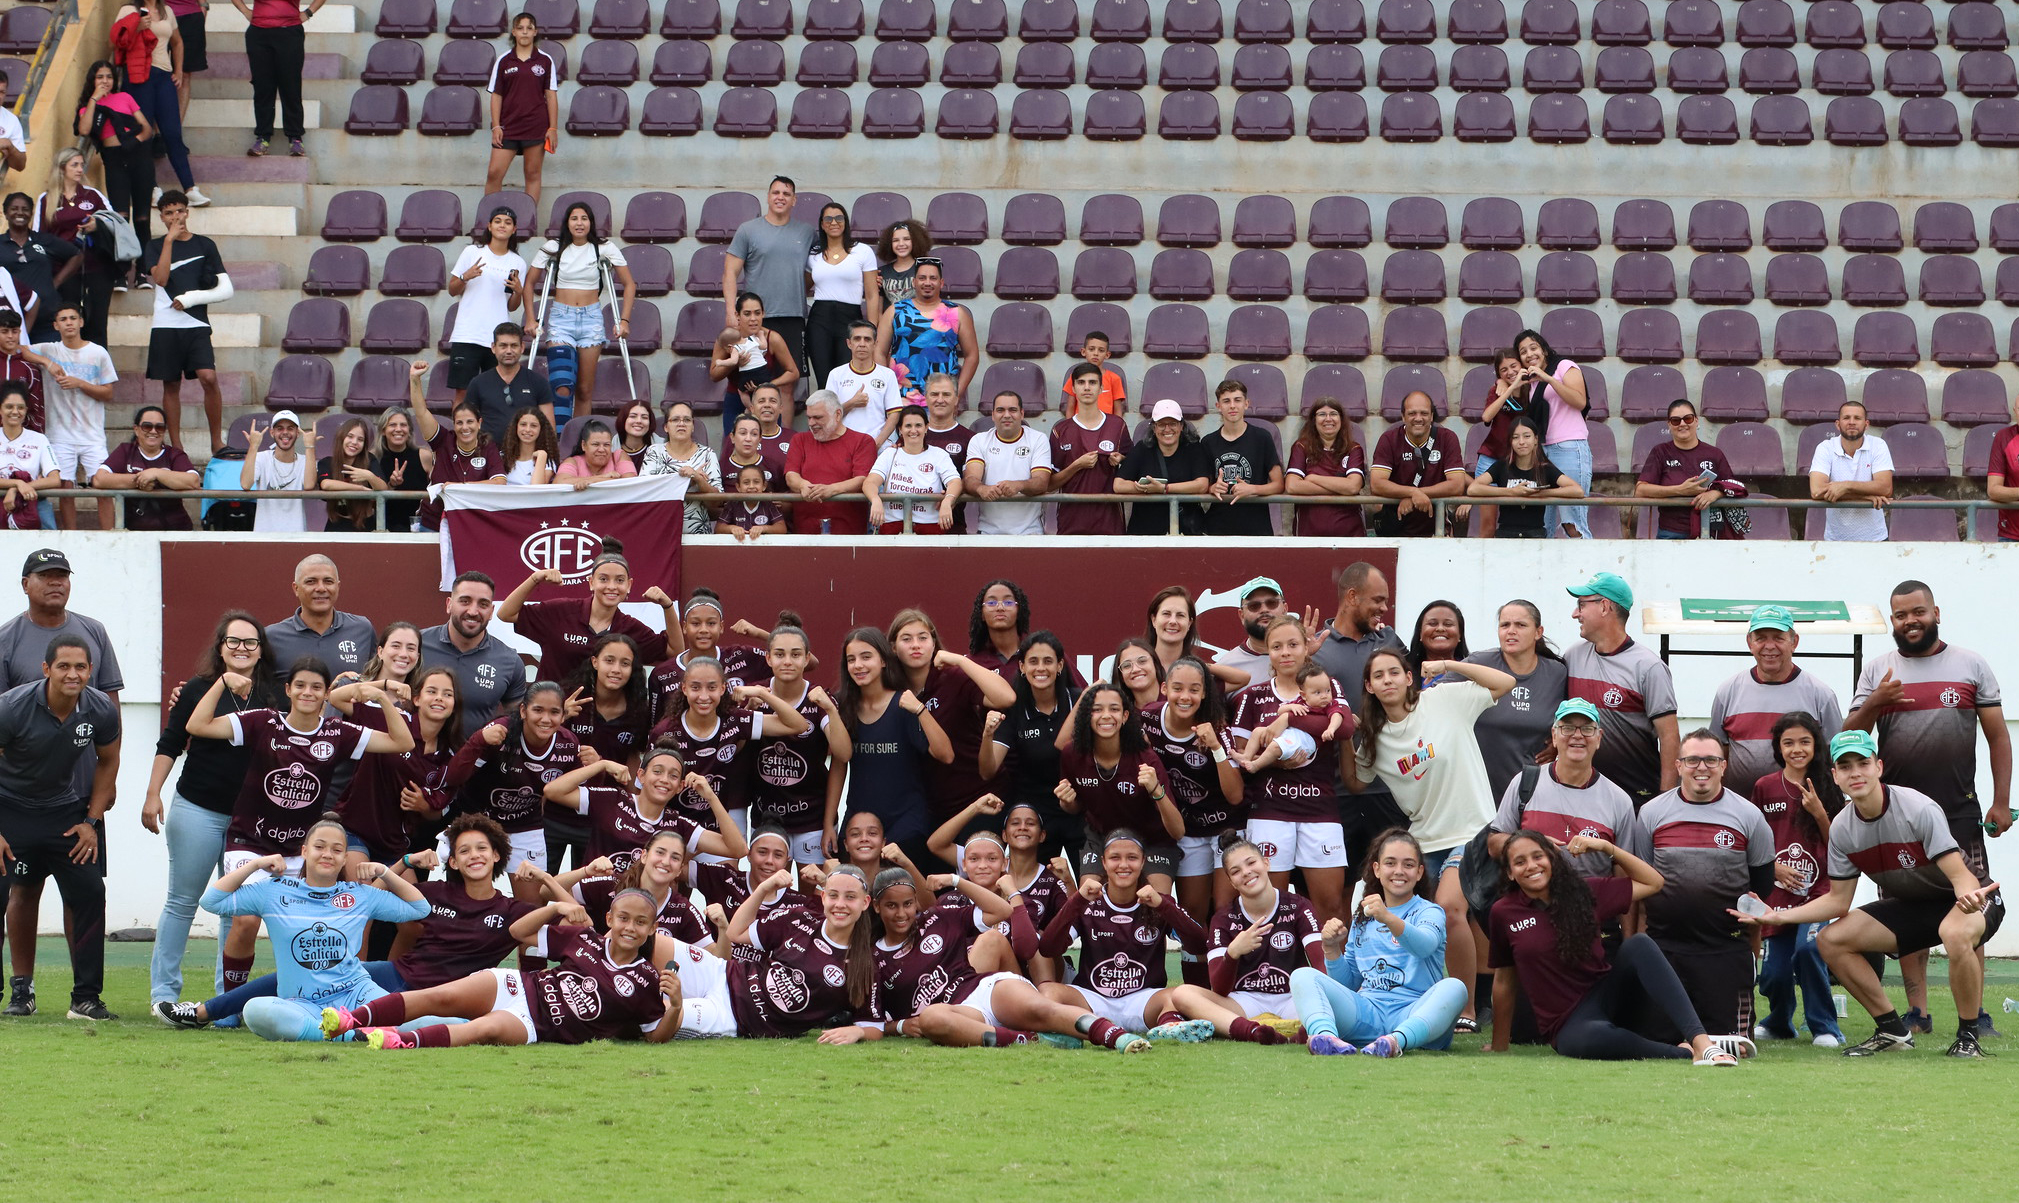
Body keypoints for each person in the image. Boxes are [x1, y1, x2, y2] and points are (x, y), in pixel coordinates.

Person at [1734, 730, 2002, 1058]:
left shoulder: (1917, 808)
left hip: (1971, 898)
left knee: (1953, 932)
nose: (1855, 772)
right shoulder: (1844, 828)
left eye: (1863, 762)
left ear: (1879, 766)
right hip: (1912, 906)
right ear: (1835, 776)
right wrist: (1777, 915)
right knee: (1830, 940)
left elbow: (1961, 877)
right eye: (1845, 766)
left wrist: (1968, 896)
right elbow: (1838, 901)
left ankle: (1968, 1035)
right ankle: (1891, 1030)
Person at [1844, 579, 2009, 1037]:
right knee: (1904, 911)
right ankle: (1917, 1011)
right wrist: (1876, 702)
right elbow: (1849, 737)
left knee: (1969, 908)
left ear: (1937, 612)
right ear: (1891, 621)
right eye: (1900, 615)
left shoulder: (1971, 664)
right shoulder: (1878, 669)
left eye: (1918, 612)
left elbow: (1997, 735)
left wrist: (2000, 800)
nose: (1910, 621)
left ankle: (1974, 1017)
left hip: (1959, 812)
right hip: (1894, 820)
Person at [184, 657, 408, 989]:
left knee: (314, 927)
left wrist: (381, 696)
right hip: (251, 843)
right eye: (300, 685)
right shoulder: (263, 722)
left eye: (316, 687)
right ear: (288, 689)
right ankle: (229, 1008)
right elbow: (197, 726)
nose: (307, 692)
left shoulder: (337, 732)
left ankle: (313, 996)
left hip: (301, 852)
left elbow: (402, 742)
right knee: (245, 922)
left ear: (325, 694)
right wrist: (222, 682)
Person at [1350, 646, 1515, 1028]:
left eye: (1395, 672)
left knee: (1448, 909)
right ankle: (1398, 1000)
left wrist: (1449, 665)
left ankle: (1466, 1010)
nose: (1388, 680)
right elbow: (1358, 781)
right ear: (1370, 687)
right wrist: (1346, 731)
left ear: (1409, 678)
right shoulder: (1375, 739)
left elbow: (1505, 682)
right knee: (1399, 916)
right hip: (1423, 841)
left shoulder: (1444, 698)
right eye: (1378, 676)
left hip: (1472, 832)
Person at [1487, 830, 1743, 1064]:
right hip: (1568, 1023)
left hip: (1609, 996)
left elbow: (1653, 882)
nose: (1531, 866)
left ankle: (1701, 1042)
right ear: (1509, 873)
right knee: (1590, 1039)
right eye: (1520, 862)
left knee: (1639, 944)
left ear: (1551, 860)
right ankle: (1687, 1052)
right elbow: (1504, 981)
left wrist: (1608, 848)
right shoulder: (1503, 912)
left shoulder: (1584, 892)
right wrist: (1499, 1046)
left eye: (1537, 856)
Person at [322, 884, 681, 1049]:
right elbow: (518, 932)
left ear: (652, 929)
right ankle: (352, 1019)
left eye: (639, 923)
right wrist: (555, 907)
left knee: (483, 1031)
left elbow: (654, 1036)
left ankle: (399, 1042)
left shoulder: (647, 979)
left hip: (535, 1024)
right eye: (623, 918)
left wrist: (675, 1007)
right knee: (441, 997)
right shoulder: (583, 938)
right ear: (610, 918)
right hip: (517, 986)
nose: (629, 928)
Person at [169, 818, 427, 1040]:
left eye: (337, 850)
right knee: (256, 1010)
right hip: (302, 1004)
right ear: (304, 851)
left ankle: (461, 1028)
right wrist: (255, 865)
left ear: (345, 859)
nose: (328, 854)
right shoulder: (273, 890)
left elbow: (420, 909)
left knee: (419, 1017)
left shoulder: (359, 894)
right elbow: (210, 901)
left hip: (357, 995)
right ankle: (356, 1035)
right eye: (319, 847)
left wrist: (385, 871)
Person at [0, 635, 121, 1021]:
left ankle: (85, 1000)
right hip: (9, 810)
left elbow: (108, 761)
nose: (73, 674)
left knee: (89, 891)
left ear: (90, 671)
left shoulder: (100, 708)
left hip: (63, 813)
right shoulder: (11, 707)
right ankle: (17, 993)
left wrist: (91, 822)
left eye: (81, 667)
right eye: (64, 666)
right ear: (46, 669)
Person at [1638, 730, 1776, 1038]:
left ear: (1724, 765)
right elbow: (1643, 879)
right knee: (1661, 1041)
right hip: (1666, 948)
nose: (1702, 767)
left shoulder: (1749, 816)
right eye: (1693, 760)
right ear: (1678, 765)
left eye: (1711, 760)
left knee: (1733, 1043)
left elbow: (1761, 886)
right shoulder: (1651, 814)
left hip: (1725, 949)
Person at [1292, 829, 1469, 1056]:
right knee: (1302, 975)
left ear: (1419, 872)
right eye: (1390, 863)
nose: (1398, 871)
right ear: (1377, 869)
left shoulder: (1430, 911)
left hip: (1415, 1013)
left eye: (1408, 865)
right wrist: (1331, 948)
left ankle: (1396, 1041)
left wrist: (1387, 917)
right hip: (1368, 1015)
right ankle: (1325, 1037)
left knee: (1455, 987)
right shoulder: (1363, 920)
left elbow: (1425, 946)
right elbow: (1348, 984)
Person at [1229, 616, 1351, 924]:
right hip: (1270, 811)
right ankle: (1274, 973)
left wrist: (1287, 721)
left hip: (1318, 810)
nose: (1285, 652)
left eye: (1293, 645)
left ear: (1306, 648)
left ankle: (1331, 973)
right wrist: (1276, 757)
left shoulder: (1326, 685)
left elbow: (1346, 727)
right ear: (1267, 652)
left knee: (1332, 908)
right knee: (1267, 907)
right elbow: (1241, 761)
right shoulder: (1252, 696)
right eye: (1276, 646)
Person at [1037, 832, 1208, 1042]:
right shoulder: (1088, 902)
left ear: (1143, 861)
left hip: (1143, 1001)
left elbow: (1199, 944)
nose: (1124, 865)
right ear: (1104, 863)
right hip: (1093, 999)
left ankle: (1169, 1027)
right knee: (1048, 991)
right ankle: (1073, 1030)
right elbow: (1048, 948)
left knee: (1180, 995)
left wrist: (1164, 905)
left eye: (1132, 858)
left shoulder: (1157, 902)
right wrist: (1076, 901)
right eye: (1115, 858)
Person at [1150, 838, 1322, 1045]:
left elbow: (1320, 966)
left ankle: (1304, 1029)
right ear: (1231, 882)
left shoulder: (1298, 906)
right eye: (1236, 871)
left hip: (1291, 997)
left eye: (1251, 863)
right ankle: (1254, 1032)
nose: (1246, 872)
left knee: (1342, 993)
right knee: (1183, 994)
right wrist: (1233, 953)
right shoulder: (1223, 919)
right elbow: (1219, 989)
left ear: (1266, 863)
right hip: (1244, 1002)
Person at [1747, 712, 1846, 1048]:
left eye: (1804, 741)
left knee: (1808, 949)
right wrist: (1771, 869)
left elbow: (1841, 843)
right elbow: (1752, 838)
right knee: (1773, 971)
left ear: (1816, 744)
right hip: (1776, 895)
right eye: (1788, 742)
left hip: (1819, 892)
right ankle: (1779, 1022)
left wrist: (1819, 811)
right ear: (1778, 747)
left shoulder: (1831, 783)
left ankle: (1825, 1027)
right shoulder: (1765, 786)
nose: (1797, 749)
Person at [887, 610, 1018, 851]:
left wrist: (961, 660)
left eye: (923, 638)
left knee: (978, 877)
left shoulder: (952, 676)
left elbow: (1006, 697)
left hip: (981, 799)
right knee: (937, 886)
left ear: (934, 643)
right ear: (893, 647)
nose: (916, 645)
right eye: (906, 639)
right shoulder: (890, 687)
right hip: (930, 810)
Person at [646, 657, 807, 844]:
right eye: (696, 687)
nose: (704, 696)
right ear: (684, 689)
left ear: (723, 688)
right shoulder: (663, 732)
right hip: (674, 830)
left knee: (730, 867)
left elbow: (798, 725)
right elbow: (645, 791)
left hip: (715, 829)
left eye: (712, 688)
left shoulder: (734, 720)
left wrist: (763, 694)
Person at [1485, 700, 1647, 878]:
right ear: (1554, 735)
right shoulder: (1525, 783)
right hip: (1530, 902)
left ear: (1599, 738)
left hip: (1591, 903)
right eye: (1567, 728)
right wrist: (1532, 844)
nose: (1577, 735)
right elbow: (1494, 845)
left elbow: (1623, 875)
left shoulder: (1619, 801)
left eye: (1587, 729)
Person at [441, 681, 578, 888]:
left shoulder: (568, 743)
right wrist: (478, 740)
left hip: (524, 825)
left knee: (531, 908)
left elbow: (580, 794)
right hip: (478, 821)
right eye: (538, 710)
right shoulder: (500, 731)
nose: (546, 719)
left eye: (554, 712)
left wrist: (595, 767)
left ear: (562, 716)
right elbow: (452, 778)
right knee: (466, 898)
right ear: (523, 710)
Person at [333, 664, 463, 879]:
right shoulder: (395, 719)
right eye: (432, 691)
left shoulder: (452, 754)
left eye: (447, 694)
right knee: (362, 898)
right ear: (417, 699)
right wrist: (383, 687)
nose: (439, 698)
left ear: (454, 705)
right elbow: (337, 698)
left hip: (395, 845)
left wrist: (423, 806)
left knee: (415, 909)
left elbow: (439, 810)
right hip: (354, 831)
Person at [834, 627, 953, 861]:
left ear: (884, 661)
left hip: (906, 824)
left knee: (902, 893)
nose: (858, 665)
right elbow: (839, 765)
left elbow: (945, 754)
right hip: (859, 825)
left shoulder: (904, 704)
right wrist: (830, 822)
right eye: (851, 659)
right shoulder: (842, 706)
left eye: (866, 657)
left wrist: (919, 709)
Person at [1056, 682, 1185, 897]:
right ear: (1087, 716)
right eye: (1097, 710)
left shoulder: (1145, 758)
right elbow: (1075, 807)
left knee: (1156, 902)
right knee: (1089, 897)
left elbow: (1178, 831)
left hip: (1152, 841)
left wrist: (1156, 791)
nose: (1106, 715)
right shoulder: (1073, 754)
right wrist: (1067, 802)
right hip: (1102, 838)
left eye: (1114, 709)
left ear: (1125, 716)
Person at [1564, 571, 1679, 806]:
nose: (1575, 613)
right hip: (1581, 795)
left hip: (1636, 796)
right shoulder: (1573, 655)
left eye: (1581, 605)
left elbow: (1669, 737)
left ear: (1605, 606)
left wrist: (1666, 801)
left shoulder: (1648, 667)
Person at [1706, 605, 1844, 800]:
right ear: (1749, 642)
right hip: (1739, 808)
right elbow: (1719, 752)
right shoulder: (1728, 691)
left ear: (1794, 642)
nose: (1769, 646)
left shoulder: (1820, 695)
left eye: (1778, 638)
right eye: (1761, 638)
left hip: (1800, 813)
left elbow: (1834, 757)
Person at [743, 620, 849, 864]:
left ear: (807, 659)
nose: (788, 661)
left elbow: (843, 755)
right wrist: (747, 713)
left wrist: (831, 711)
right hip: (766, 817)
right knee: (770, 888)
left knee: (810, 893)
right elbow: (734, 750)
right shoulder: (754, 695)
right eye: (779, 654)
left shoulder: (818, 698)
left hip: (812, 818)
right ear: (768, 658)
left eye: (795, 654)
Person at [541, 743, 746, 864]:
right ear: (640, 775)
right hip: (595, 902)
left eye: (673, 776)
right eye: (657, 772)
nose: (664, 779)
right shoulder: (612, 799)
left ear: (680, 786)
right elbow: (553, 791)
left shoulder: (678, 825)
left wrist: (710, 797)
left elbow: (738, 850)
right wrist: (601, 765)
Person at [524, 203, 635, 420]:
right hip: (561, 319)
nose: (579, 223)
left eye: (584, 218)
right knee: (562, 386)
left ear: (591, 222)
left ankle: (577, 442)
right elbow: (529, 283)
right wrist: (530, 318)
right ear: (567, 222)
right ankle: (558, 439)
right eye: (574, 218)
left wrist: (624, 320)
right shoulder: (553, 247)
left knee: (584, 389)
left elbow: (629, 284)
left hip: (591, 319)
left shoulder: (604, 248)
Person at [496, 550, 674, 683]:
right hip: (552, 717)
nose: (611, 586)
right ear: (591, 582)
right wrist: (535, 578)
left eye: (619, 580)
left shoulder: (631, 628)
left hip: (599, 721)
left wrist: (668, 606)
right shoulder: (561, 612)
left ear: (629, 585)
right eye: (603, 579)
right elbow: (506, 614)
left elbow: (674, 651)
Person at [978, 631, 1083, 850]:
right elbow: (988, 771)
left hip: (1079, 809)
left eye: (1048, 661)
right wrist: (988, 735)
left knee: (1090, 884)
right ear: (1022, 667)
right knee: (1034, 886)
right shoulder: (1015, 708)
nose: (1041, 668)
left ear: (1060, 665)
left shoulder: (1079, 700)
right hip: (1035, 816)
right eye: (1033, 661)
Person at [144, 190, 229, 448]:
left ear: (187, 212)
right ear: (161, 217)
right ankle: (177, 446)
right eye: (168, 213)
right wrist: (169, 241)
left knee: (208, 377)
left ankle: (216, 441)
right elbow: (160, 279)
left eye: (179, 210)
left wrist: (192, 299)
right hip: (165, 324)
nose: (175, 216)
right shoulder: (154, 246)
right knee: (171, 384)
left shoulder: (205, 245)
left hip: (197, 322)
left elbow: (223, 287)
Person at [21, 305, 116, 529]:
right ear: (56, 326)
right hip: (59, 433)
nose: (69, 322)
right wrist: (48, 363)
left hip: (92, 434)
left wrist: (79, 383)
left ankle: (110, 535)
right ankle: (70, 537)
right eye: (63, 319)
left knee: (102, 487)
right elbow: (21, 349)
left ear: (81, 322)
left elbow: (108, 393)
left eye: (73, 318)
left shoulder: (98, 352)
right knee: (65, 488)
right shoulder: (49, 349)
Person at [1465, 600, 1569, 799]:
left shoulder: (1557, 673)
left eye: (1520, 625)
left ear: (1538, 632)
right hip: (1478, 792)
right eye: (1505, 625)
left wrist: (1557, 745)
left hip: (1533, 792)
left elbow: (1573, 718)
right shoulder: (1479, 664)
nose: (1511, 631)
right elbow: (1437, 699)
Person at [111, 0, 206, 205]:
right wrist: (137, 27)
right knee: (144, 133)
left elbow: (177, 42)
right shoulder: (129, 9)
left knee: (172, 132)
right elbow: (116, 41)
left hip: (163, 75)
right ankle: (151, 187)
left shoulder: (167, 11)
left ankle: (190, 188)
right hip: (137, 76)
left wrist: (178, 70)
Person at [724, 176, 817, 386]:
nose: (780, 197)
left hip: (793, 317)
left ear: (794, 200)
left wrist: (796, 287)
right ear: (767, 197)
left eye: (786, 194)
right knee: (751, 382)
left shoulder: (807, 232)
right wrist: (731, 312)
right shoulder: (748, 230)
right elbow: (730, 272)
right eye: (776, 193)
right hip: (756, 319)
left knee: (787, 385)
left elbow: (821, 267)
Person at [74, 61, 155, 293]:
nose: (105, 81)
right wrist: (94, 99)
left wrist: (133, 143)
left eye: (109, 76)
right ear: (93, 80)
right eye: (100, 77)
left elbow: (147, 129)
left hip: (138, 156)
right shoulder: (87, 106)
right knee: (119, 217)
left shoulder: (125, 97)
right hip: (114, 160)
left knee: (142, 217)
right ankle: (121, 272)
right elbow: (85, 130)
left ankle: (142, 271)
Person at [420, 571, 529, 727]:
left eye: (483, 604)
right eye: (465, 601)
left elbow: (517, 722)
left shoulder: (510, 661)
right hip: (417, 750)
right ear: (449, 604)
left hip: (477, 751)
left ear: (491, 611)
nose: (472, 611)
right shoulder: (417, 645)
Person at [448, 212, 531, 414]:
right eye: (498, 221)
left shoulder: (518, 262)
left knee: (494, 393)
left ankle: (490, 443)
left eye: (508, 222)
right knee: (462, 393)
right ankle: (459, 442)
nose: (502, 225)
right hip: (467, 333)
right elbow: (452, 290)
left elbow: (511, 306)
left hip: (497, 338)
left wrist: (519, 292)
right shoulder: (471, 252)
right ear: (489, 226)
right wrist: (465, 276)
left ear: (514, 229)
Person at [1511, 328, 1591, 538]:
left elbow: (1579, 401)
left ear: (1544, 349)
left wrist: (1549, 378)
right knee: (1542, 522)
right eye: (1523, 352)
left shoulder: (1564, 366)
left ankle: (1588, 569)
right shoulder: (1531, 381)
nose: (1529, 354)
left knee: (1573, 523)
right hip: (1543, 451)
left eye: (1533, 347)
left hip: (1569, 447)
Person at [35, 149, 115, 348]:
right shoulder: (46, 199)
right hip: (63, 270)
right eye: (75, 165)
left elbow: (115, 223)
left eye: (82, 165)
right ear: (62, 168)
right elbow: (39, 237)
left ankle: (99, 371)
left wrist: (97, 225)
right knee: (69, 320)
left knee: (97, 321)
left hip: (96, 266)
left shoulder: (92, 195)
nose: (80, 169)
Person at [1634, 399, 1747, 539]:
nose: (1682, 424)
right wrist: (1680, 490)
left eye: (1687, 419)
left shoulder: (1714, 454)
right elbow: (1641, 490)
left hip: (1710, 531)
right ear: (1669, 425)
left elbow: (1733, 487)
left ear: (1696, 421)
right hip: (1672, 533)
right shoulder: (1660, 452)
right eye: (1676, 420)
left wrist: (1716, 494)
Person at [407, 364, 503, 530]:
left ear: (479, 423)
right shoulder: (443, 440)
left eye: (470, 422)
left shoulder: (488, 447)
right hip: (434, 523)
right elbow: (421, 412)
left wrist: (460, 487)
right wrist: (414, 379)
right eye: (459, 422)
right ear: (454, 424)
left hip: (472, 525)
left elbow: (500, 482)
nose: (465, 427)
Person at [875, 258, 976, 404]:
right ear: (914, 282)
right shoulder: (895, 310)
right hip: (902, 397)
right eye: (922, 278)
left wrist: (957, 394)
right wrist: (887, 390)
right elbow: (879, 352)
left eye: (933, 278)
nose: (927, 283)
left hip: (942, 398)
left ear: (941, 283)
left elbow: (972, 355)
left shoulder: (956, 313)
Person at [1369, 390, 1469, 538]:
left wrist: (1417, 496)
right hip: (1395, 531)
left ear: (1432, 416)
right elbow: (1376, 484)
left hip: (1436, 531)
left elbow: (1457, 485)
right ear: (1403, 416)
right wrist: (1412, 492)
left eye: (1424, 413)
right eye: (1412, 413)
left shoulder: (1447, 438)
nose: (1418, 418)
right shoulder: (1389, 439)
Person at [482, 15, 559, 206]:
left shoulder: (546, 60)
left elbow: (551, 96)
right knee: (494, 173)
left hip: (536, 126)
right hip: (508, 127)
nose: (525, 31)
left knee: (532, 174)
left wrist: (553, 128)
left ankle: (528, 221)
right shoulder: (504, 60)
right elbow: (496, 95)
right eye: (520, 28)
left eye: (529, 27)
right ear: (514, 32)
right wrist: (496, 126)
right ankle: (490, 221)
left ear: (535, 32)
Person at [262, 553, 376, 680]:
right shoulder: (271, 637)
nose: (321, 588)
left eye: (328, 581)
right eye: (311, 582)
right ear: (296, 588)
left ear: (338, 587)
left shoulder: (362, 629)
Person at [1050, 362, 1130, 535]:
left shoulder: (1117, 425)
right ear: (1073, 388)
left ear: (1101, 388)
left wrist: (1122, 460)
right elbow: (1050, 485)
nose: (1087, 388)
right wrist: (1077, 465)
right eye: (1081, 382)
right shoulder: (1060, 430)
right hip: (1071, 521)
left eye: (1092, 383)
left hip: (1110, 522)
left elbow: (1133, 470)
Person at [807, 203, 882, 389]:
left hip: (850, 319)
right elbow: (803, 285)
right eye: (828, 219)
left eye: (839, 218)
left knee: (847, 381)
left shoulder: (862, 251)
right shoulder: (813, 255)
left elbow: (872, 295)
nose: (834, 223)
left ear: (846, 222)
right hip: (819, 320)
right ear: (822, 224)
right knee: (824, 382)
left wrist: (871, 329)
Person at [1467, 421, 1581, 539]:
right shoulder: (1501, 466)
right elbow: (1473, 489)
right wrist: (1511, 492)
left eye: (1527, 436)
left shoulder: (1545, 468)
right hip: (1506, 535)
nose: (1521, 442)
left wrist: (1541, 494)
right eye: (1515, 437)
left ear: (1536, 439)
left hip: (1536, 535)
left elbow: (1577, 490)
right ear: (1510, 441)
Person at [962, 389, 1053, 536]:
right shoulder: (979, 440)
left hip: (1031, 533)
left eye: (1013, 410)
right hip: (987, 533)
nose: (1006, 415)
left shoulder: (1038, 439)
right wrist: (981, 489)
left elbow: (1042, 482)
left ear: (1021, 414)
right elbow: (971, 478)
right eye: (1000, 410)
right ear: (992, 415)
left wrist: (1019, 485)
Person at [233, 0, 318, 157]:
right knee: (262, 87)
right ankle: (263, 137)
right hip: (258, 33)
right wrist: (245, 10)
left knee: (290, 85)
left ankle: (295, 138)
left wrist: (308, 12)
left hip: (290, 32)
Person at [1200, 378, 1284, 537]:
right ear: (1218, 406)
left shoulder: (1262, 438)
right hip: (1217, 526)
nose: (1232, 405)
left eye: (1237, 400)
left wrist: (1253, 489)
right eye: (1226, 401)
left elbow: (1279, 484)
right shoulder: (1208, 442)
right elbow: (1202, 484)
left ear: (1246, 404)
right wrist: (1212, 488)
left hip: (1256, 527)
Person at [1114, 398, 1211, 536]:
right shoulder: (1142, 449)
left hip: (1186, 530)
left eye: (1172, 424)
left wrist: (1164, 489)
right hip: (1146, 530)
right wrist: (1145, 488)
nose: (1167, 429)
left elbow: (1202, 485)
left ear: (1181, 426)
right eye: (1161, 424)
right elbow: (1118, 485)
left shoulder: (1193, 448)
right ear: (1154, 427)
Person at [785, 390, 876, 534]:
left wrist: (831, 490)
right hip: (805, 530)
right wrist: (803, 485)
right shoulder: (799, 440)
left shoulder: (863, 441)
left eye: (818, 417)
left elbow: (862, 479)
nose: (811, 423)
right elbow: (791, 475)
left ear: (838, 414)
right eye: (809, 418)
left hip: (849, 532)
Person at [94, 404, 198, 530]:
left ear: (164, 431)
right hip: (134, 533)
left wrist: (157, 473)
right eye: (147, 426)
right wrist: (139, 481)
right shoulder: (125, 450)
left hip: (175, 531)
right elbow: (99, 479)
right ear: (136, 429)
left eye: (159, 427)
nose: (153, 431)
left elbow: (193, 481)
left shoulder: (174, 454)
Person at [1237, 663, 1350, 775]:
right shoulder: (1300, 702)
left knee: (1275, 747)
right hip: (1290, 733)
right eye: (1317, 692)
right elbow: (1280, 710)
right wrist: (1291, 707)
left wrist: (1331, 729)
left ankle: (1256, 765)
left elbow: (1337, 715)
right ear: (1304, 695)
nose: (1324, 696)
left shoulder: (1329, 705)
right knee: (1257, 731)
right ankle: (1246, 757)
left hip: (1305, 740)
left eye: (1328, 690)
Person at [1808, 399, 1895, 542]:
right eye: (1846, 418)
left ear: (1866, 424)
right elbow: (1817, 490)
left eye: (1857, 418)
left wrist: (1845, 486)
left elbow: (1885, 488)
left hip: (1875, 539)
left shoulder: (1878, 445)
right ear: (1838, 424)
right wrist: (1864, 497)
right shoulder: (1825, 448)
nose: (1852, 422)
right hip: (1835, 539)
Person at [865, 404, 961, 534]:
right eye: (908, 426)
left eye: (918, 425)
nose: (913, 430)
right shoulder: (890, 454)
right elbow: (870, 482)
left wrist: (948, 501)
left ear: (926, 428)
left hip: (930, 526)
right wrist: (875, 499)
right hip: (892, 526)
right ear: (900, 429)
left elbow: (955, 482)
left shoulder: (939, 454)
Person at [710, 292, 802, 426]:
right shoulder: (727, 337)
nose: (753, 319)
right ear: (737, 315)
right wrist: (735, 363)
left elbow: (793, 372)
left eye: (757, 313)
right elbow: (714, 375)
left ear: (763, 314)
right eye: (747, 314)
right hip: (736, 397)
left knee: (769, 444)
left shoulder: (772, 338)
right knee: (734, 444)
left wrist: (767, 386)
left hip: (766, 400)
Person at [1285, 396, 1366, 538]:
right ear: (1313, 420)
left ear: (1341, 419)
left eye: (1333, 414)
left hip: (1350, 533)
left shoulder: (1354, 449)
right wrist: (1340, 488)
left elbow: (1353, 486)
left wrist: (1312, 478)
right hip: (1308, 533)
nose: (1328, 419)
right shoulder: (1301, 447)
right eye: (1322, 414)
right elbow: (1292, 486)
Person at [2, 192, 78, 343]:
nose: (19, 212)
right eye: (14, 208)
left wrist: (56, 282)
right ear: (5, 213)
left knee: (49, 365)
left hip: (47, 319)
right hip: (10, 323)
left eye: (25, 209)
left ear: (31, 213)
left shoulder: (43, 240)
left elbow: (76, 255)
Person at [634, 400, 720, 532]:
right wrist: (688, 482)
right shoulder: (654, 452)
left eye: (686, 420)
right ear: (666, 427)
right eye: (675, 420)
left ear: (693, 426)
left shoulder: (707, 454)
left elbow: (716, 502)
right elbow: (645, 491)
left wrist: (699, 479)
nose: (681, 424)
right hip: (660, 531)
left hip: (697, 533)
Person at [1144, 586, 1249, 691]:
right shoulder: (1138, 668)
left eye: (1180, 615)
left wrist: (1197, 665)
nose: (1173, 621)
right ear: (1154, 620)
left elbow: (1242, 679)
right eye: (1166, 614)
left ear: (1189, 623)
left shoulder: (1198, 673)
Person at [1213, 576, 1302, 694]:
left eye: (1272, 603)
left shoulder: (1308, 658)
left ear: (1285, 609)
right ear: (1242, 615)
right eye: (1254, 606)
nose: (1264, 610)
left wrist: (1305, 656)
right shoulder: (1226, 668)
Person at [825, 318, 901, 443]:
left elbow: (894, 415)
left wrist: (876, 444)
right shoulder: (836, 375)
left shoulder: (887, 375)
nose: (862, 344)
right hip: (844, 444)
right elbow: (829, 416)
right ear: (849, 343)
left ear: (875, 344)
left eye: (867, 339)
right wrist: (852, 403)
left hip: (878, 445)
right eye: (857, 339)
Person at [1473, 348, 1540, 485]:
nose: (1510, 372)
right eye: (1503, 370)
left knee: (1513, 505)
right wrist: (1509, 389)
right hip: (1491, 457)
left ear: (1522, 365)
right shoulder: (1497, 390)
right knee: (1487, 503)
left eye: (1513, 366)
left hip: (1519, 460)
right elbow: (1486, 417)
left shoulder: (1533, 389)